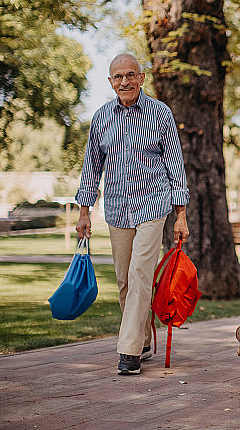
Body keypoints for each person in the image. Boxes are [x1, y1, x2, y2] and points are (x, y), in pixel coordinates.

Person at [75, 53, 190, 375]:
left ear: (141, 77)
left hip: (153, 205)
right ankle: (140, 340)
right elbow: (90, 169)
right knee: (125, 279)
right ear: (110, 81)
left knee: (141, 273)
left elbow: (175, 168)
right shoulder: (100, 118)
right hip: (115, 207)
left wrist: (180, 215)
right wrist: (84, 212)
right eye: (117, 77)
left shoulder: (160, 115)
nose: (123, 81)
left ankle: (128, 352)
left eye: (130, 75)